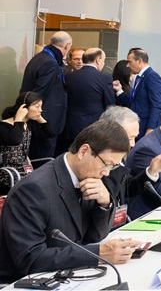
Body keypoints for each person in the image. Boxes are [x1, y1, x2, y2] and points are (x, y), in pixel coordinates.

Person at [0, 120, 139, 282]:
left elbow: (94, 237)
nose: (106, 173)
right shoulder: (33, 189)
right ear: (83, 151)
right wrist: (98, 254)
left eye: (113, 167)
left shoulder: (88, 177)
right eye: (107, 164)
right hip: (27, 280)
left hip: (68, 274)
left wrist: (104, 203)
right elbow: (31, 259)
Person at [97, 106, 161, 218]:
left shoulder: (120, 158)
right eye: (130, 138)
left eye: (134, 138)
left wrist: (151, 171)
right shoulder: (94, 162)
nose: (132, 144)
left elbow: (128, 187)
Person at [19, 31, 72, 159]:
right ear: (67, 46)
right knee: (42, 161)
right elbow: (38, 94)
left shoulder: (38, 58)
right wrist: (40, 120)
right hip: (43, 122)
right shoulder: (50, 63)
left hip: (38, 120)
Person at [60, 48, 115, 154]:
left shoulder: (68, 77)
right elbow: (110, 105)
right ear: (98, 60)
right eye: (103, 60)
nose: (103, 63)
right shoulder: (104, 78)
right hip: (93, 129)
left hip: (69, 127)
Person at [0, 92, 55, 194]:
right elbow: (15, 140)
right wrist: (19, 118)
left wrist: (39, 117)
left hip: (26, 171)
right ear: (24, 107)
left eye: (41, 106)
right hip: (8, 173)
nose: (40, 110)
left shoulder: (29, 125)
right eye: (37, 106)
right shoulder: (4, 127)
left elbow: (50, 133)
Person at [112, 48, 161, 140]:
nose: (127, 65)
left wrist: (150, 129)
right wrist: (119, 91)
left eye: (130, 62)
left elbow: (156, 105)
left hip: (145, 130)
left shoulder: (152, 77)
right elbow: (133, 104)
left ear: (139, 61)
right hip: (137, 129)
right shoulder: (139, 78)